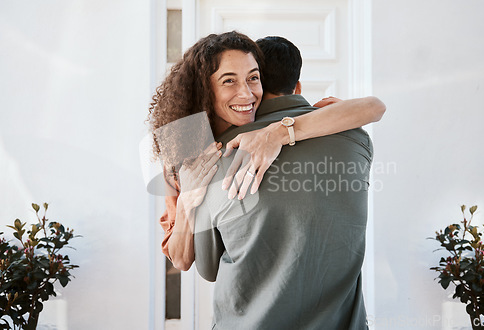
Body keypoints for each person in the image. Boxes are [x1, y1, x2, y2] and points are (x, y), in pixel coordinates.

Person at [147, 31, 385, 273]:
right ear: (204, 89)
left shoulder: (272, 122)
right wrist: (188, 200)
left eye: (253, 78)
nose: (247, 94)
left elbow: (375, 107)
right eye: (229, 80)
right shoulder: (183, 153)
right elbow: (181, 261)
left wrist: (277, 133)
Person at [193, 35, 373, 329]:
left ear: (256, 87)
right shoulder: (356, 139)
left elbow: (207, 267)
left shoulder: (214, 156)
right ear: (297, 86)